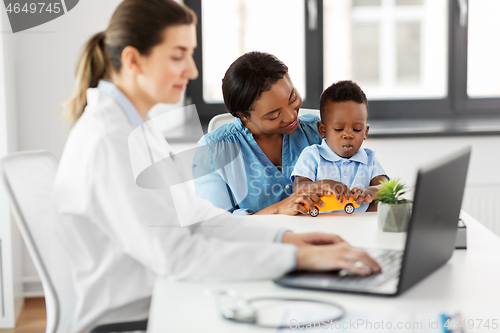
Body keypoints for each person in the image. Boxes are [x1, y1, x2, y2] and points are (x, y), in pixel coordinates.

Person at [52, 1, 380, 331]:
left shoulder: (135, 129)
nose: (192, 71)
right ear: (133, 60)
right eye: (178, 55)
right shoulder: (109, 141)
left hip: (162, 295)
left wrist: (286, 240)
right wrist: (299, 259)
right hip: (130, 318)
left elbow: (197, 218)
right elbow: (178, 256)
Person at [193, 52, 330, 215]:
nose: (291, 116)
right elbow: (216, 227)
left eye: (292, 98)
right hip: (258, 240)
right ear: (244, 116)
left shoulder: (319, 132)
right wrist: (278, 209)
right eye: (274, 115)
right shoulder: (213, 150)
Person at [292, 80, 388, 212]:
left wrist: (371, 191)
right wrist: (323, 184)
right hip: (320, 226)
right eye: (338, 129)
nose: (348, 135)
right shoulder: (312, 155)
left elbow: (385, 188)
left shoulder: (369, 158)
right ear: (322, 129)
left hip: (359, 226)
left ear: (365, 132)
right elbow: (298, 187)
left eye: (357, 129)